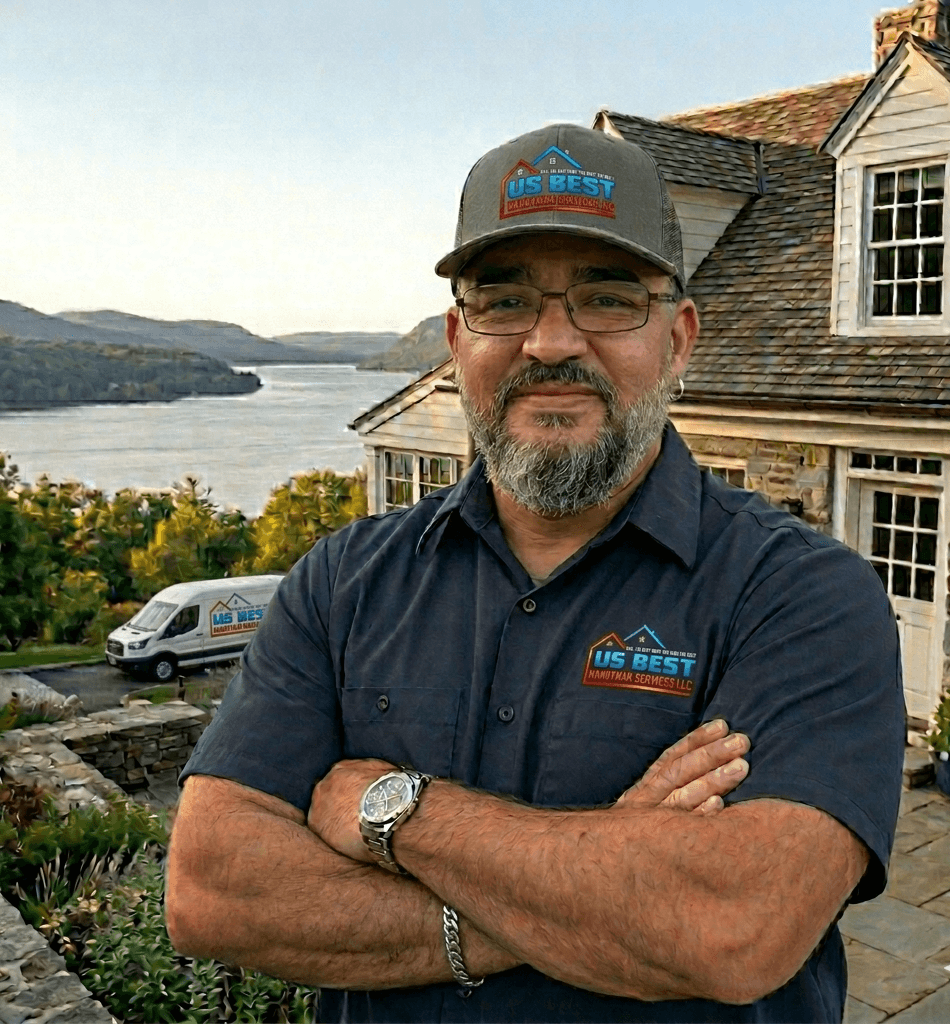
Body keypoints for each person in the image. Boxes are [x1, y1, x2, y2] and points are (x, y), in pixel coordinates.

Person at [167, 123, 905, 1023]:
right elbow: (214, 893)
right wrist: (606, 886)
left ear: (678, 340)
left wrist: (395, 812)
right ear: (457, 339)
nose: (551, 343)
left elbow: (734, 926)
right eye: (506, 301)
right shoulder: (343, 581)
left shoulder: (803, 596)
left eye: (607, 299)